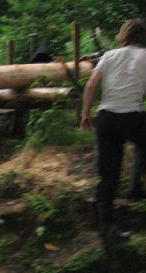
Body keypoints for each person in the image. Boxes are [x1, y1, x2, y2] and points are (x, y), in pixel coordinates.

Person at [81, 18, 146, 248]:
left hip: (107, 118)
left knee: (108, 177)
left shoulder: (109, 55)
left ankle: (106, 230)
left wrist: (85, 113)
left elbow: (90, 86)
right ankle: (137, 184)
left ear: (124, 35)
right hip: (133, 118)